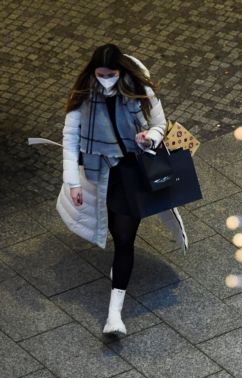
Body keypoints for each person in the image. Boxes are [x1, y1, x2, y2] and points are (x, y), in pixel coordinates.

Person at [60, 43, 188, 336]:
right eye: (101, 74)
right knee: (121, 237)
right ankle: (116, 303)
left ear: (120, 71)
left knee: (124, 238)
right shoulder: (83, 97)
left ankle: (114, 314)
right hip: (104, 172)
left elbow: (160, 124)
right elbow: (69, 139)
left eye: (111, 74)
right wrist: (73, 183)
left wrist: (149, 138)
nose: (106, 79)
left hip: (135, 171)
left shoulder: (139, 89)